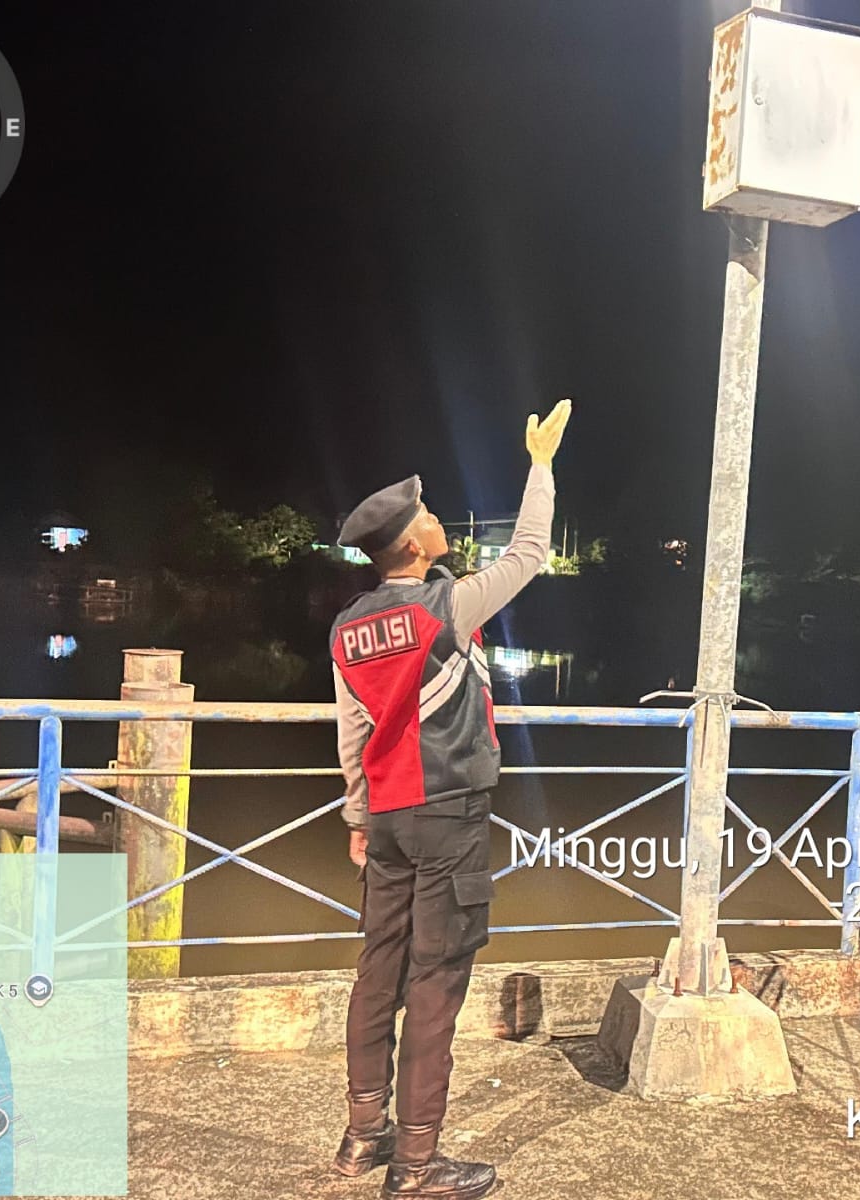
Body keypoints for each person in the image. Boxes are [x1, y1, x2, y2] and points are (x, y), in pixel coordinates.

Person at [329, 399, 572, 1199]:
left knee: (378, 971)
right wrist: (540, 467)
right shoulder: (445, 606)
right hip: (449, 814)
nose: (438, 522)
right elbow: (529, 553)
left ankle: (362, 1136)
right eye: (429, 517)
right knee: (435, 980)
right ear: (411, 544)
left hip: (387, 817)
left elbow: (352, 734)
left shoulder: (347, 626)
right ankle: (417, 1165)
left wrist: (358, 818)